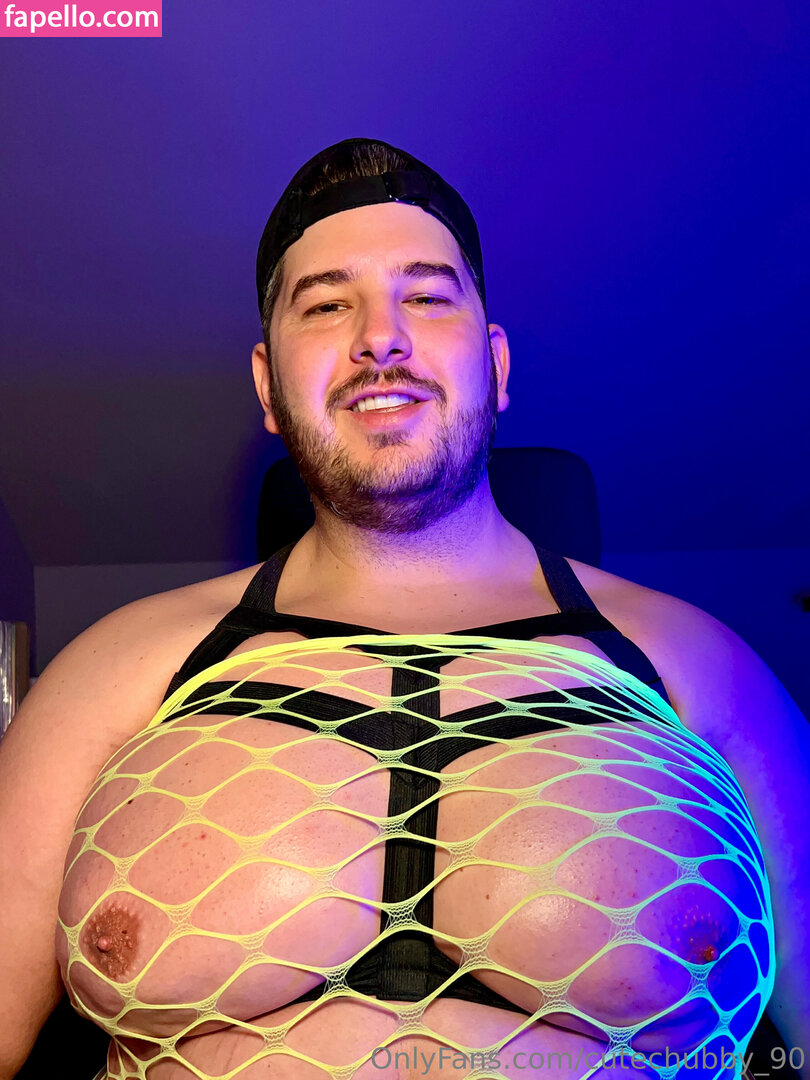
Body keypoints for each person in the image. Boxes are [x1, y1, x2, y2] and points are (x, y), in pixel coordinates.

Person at [0, 139, 807, 1080]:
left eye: (426, 296)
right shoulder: (110, 673)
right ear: (267, 385)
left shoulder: (700, 668)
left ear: (496, 365)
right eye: (326, 304)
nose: (379, 337)